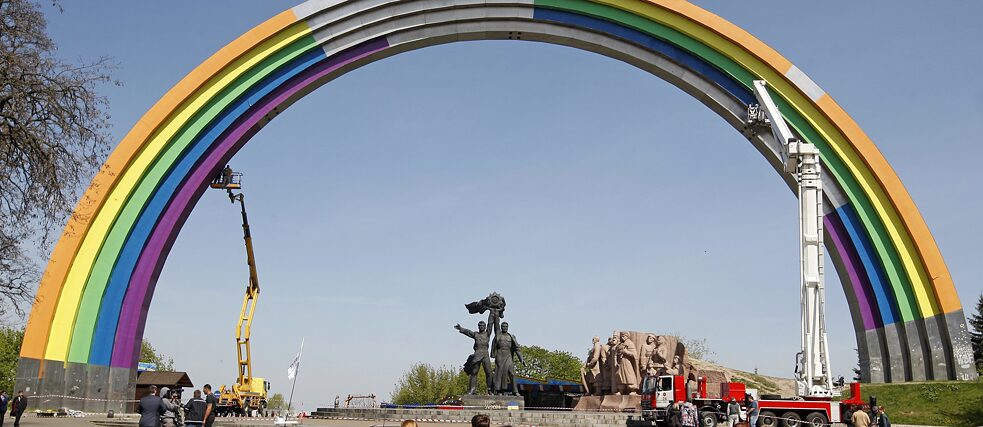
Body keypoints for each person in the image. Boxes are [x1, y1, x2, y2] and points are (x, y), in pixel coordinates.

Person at [455, 311, 496, 394]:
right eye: (480, 326)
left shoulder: (487, 334)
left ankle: (489, 389)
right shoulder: (476, 334)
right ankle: (472, 389)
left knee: (489, 372)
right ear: (478, 327)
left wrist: (491, 313)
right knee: (474, 372)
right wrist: (461, 328)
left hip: (485, 354)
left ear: (485, 327)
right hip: (477, 354)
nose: (481, 327)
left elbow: (490, 323)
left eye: (483, 326)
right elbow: (468, 332)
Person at [491, 320, 524, 395]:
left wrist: (521, 358)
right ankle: (499, 391)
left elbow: (517, 348)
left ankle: (515, 391)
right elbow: (494, 346)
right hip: (500, 356)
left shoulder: (511, 336)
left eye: (506, 326)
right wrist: (494, 355)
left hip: (508, 356)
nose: (504, 328)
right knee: (499, 374)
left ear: (508, 327)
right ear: (501, 327)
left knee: (512, 373)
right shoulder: (498, 336)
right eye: (503, 326)